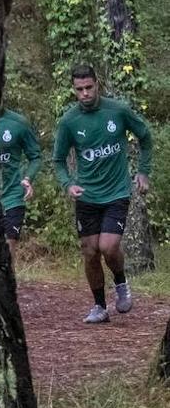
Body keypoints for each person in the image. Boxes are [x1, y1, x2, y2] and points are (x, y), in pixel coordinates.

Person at [52, 66, 152, 324]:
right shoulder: (69, 121)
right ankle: (99, 306)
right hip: (87, 195)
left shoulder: (117, 110)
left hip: (117, 191)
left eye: (89, 87)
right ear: (74, 90)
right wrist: (67, 184)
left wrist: (143, 172)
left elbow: (145, 137)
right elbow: (59, 160)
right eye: (79, 89)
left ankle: (121, 283)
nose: (85, 93)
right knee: (90, 251)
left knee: (108, 247)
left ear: (98, 85)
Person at [0, 107, 42, 252]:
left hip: (12, 196)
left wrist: (28, 178)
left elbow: (35, 157)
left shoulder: (18, 123)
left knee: (8, 250)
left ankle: (9, 273)